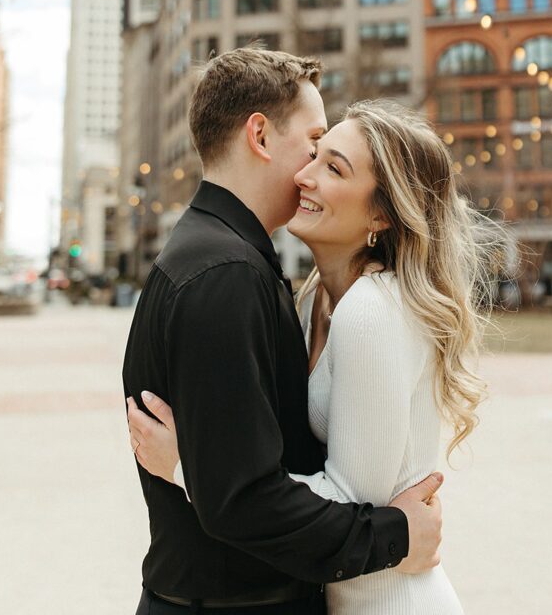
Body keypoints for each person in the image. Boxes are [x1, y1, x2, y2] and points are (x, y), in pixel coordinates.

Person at [129, 93, 502, 613]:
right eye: (313, 155)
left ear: (382, 212)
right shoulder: (315, 302)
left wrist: (192, 467)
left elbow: (359, 503)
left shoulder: (371, 311)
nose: (305, 176)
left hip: (390, 599)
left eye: (333, 168)